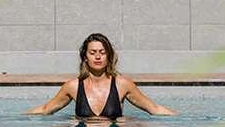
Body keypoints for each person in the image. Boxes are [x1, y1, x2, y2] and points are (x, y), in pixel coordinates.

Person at [27, 33, 176, 117]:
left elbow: (154, 109)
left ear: (109, 56)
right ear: (85, 57)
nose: (97, 57)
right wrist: (15, 119)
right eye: (92, 53)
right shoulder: (73, 86)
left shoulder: (122, 84)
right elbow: (46, 109)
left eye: (102, 52)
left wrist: (184, 120)